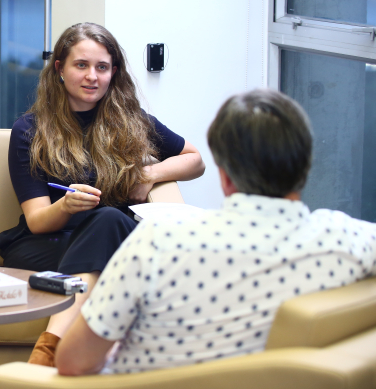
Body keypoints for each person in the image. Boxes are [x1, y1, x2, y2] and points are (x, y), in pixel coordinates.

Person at [55, 89, 376, 375]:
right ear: (306, 167)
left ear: (224, 176)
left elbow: (73, 362)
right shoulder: (348, 240)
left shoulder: (156, 243)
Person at [0, 22, 205, 366]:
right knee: (112, 229)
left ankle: (48, 351)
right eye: (81, 65)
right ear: (60, 69)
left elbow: (195, 161)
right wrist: (66, 205)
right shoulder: (29, 130)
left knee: (108, 221)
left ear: (113, 72)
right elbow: (37, 222)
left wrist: (148, 173)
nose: (92, 76)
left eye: (102, 67)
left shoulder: (132, 120)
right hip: (49, 246)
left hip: (112, 238)